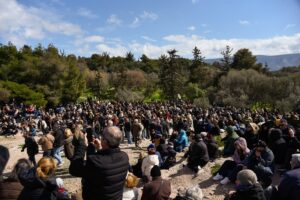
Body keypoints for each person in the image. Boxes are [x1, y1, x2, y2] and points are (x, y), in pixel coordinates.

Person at [69, 126, 129, 200]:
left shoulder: (96, 161)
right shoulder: (124, 157)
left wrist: (82, 145)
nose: (100, 137)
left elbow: (74, 169)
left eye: (102, 136)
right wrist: (100, 149)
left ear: (105, 141)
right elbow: (108, 162)